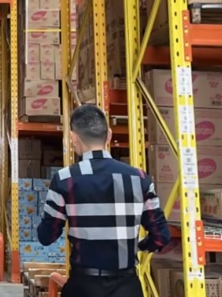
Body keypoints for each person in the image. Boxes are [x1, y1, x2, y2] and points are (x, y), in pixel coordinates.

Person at [37, 104, 171, 297]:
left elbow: (46, 236)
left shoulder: (65, 179)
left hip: (83, 287)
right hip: (127, 287)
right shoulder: (139, 178)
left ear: (74, 138)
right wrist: (140, 246)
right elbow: (161, 236)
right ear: (108, 135)